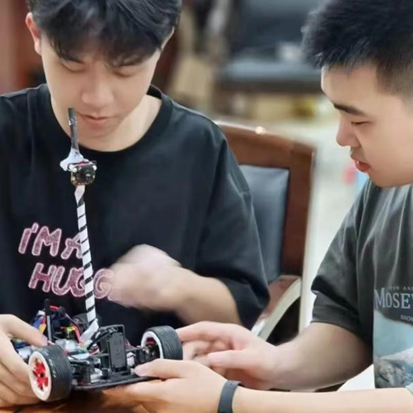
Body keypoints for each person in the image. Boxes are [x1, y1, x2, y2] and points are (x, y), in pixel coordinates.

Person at [107, 0, 413, 411]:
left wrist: (232, 402)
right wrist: (273, 363)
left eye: (359, 121)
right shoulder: (385, 190)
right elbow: (349, 324)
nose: (341, 137)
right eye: (337, 114)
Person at [0, 0, 269, 408]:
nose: (97, 98)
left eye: (125, 69)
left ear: (163, 42)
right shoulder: (8, 134)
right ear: (37, 35)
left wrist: (174, 286)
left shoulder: (197, 150)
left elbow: (237, 317)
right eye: (72, 65)